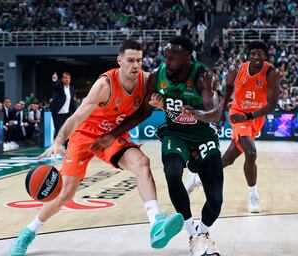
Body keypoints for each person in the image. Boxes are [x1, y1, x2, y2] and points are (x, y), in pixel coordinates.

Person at [10, 40, 184, 256]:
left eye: (139, 60)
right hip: (85, 136)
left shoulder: (147, 80)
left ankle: (156, 223)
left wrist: (162, 104)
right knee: (65, 193)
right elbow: (77, 116)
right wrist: (58, 140)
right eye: (130, 60)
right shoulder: (105, 85)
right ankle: (28, 232)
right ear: (119, 61)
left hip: (112, 135)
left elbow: (171, 100)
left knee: (142, 162)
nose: (135, 65)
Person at [91, 36, 223, 256]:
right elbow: (143, 112)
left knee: (216, 200)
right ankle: (192, 235)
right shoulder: (157, 77)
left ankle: (203, 231)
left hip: (203, 135)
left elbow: (217, 114)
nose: (167, 61)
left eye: (172, 58)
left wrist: (198, 113)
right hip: (175, 134)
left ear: (187, 59)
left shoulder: (204, 77)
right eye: (165, 56)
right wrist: (113, 134)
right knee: (172, 173)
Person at [186, 41, 281, 213]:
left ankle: (199, 174)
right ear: (248, 55)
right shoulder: (236, 71)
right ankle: (253, 197)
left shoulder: (272, 73)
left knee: (228, 159)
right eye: (253, 53)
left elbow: (272, 107)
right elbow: (227, 90)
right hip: (238, 115)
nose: (257, 57)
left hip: (256, 117)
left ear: (266, 57)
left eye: (261, 54)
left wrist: (249, 116)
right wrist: (221, 113)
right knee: (250, 153)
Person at [49, 71, 75, 145]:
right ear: (62, 79)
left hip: (66, 114)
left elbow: (72, 102)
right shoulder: (59, 86)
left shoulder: (71, 89)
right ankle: (55, 149)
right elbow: (55, 85)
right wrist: (54, 79)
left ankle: (67, 149)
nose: (67, 80)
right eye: (65, 78)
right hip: (57, 113)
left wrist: (75, 113)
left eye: (69, 78)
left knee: (67, 131)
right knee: (59, 131)